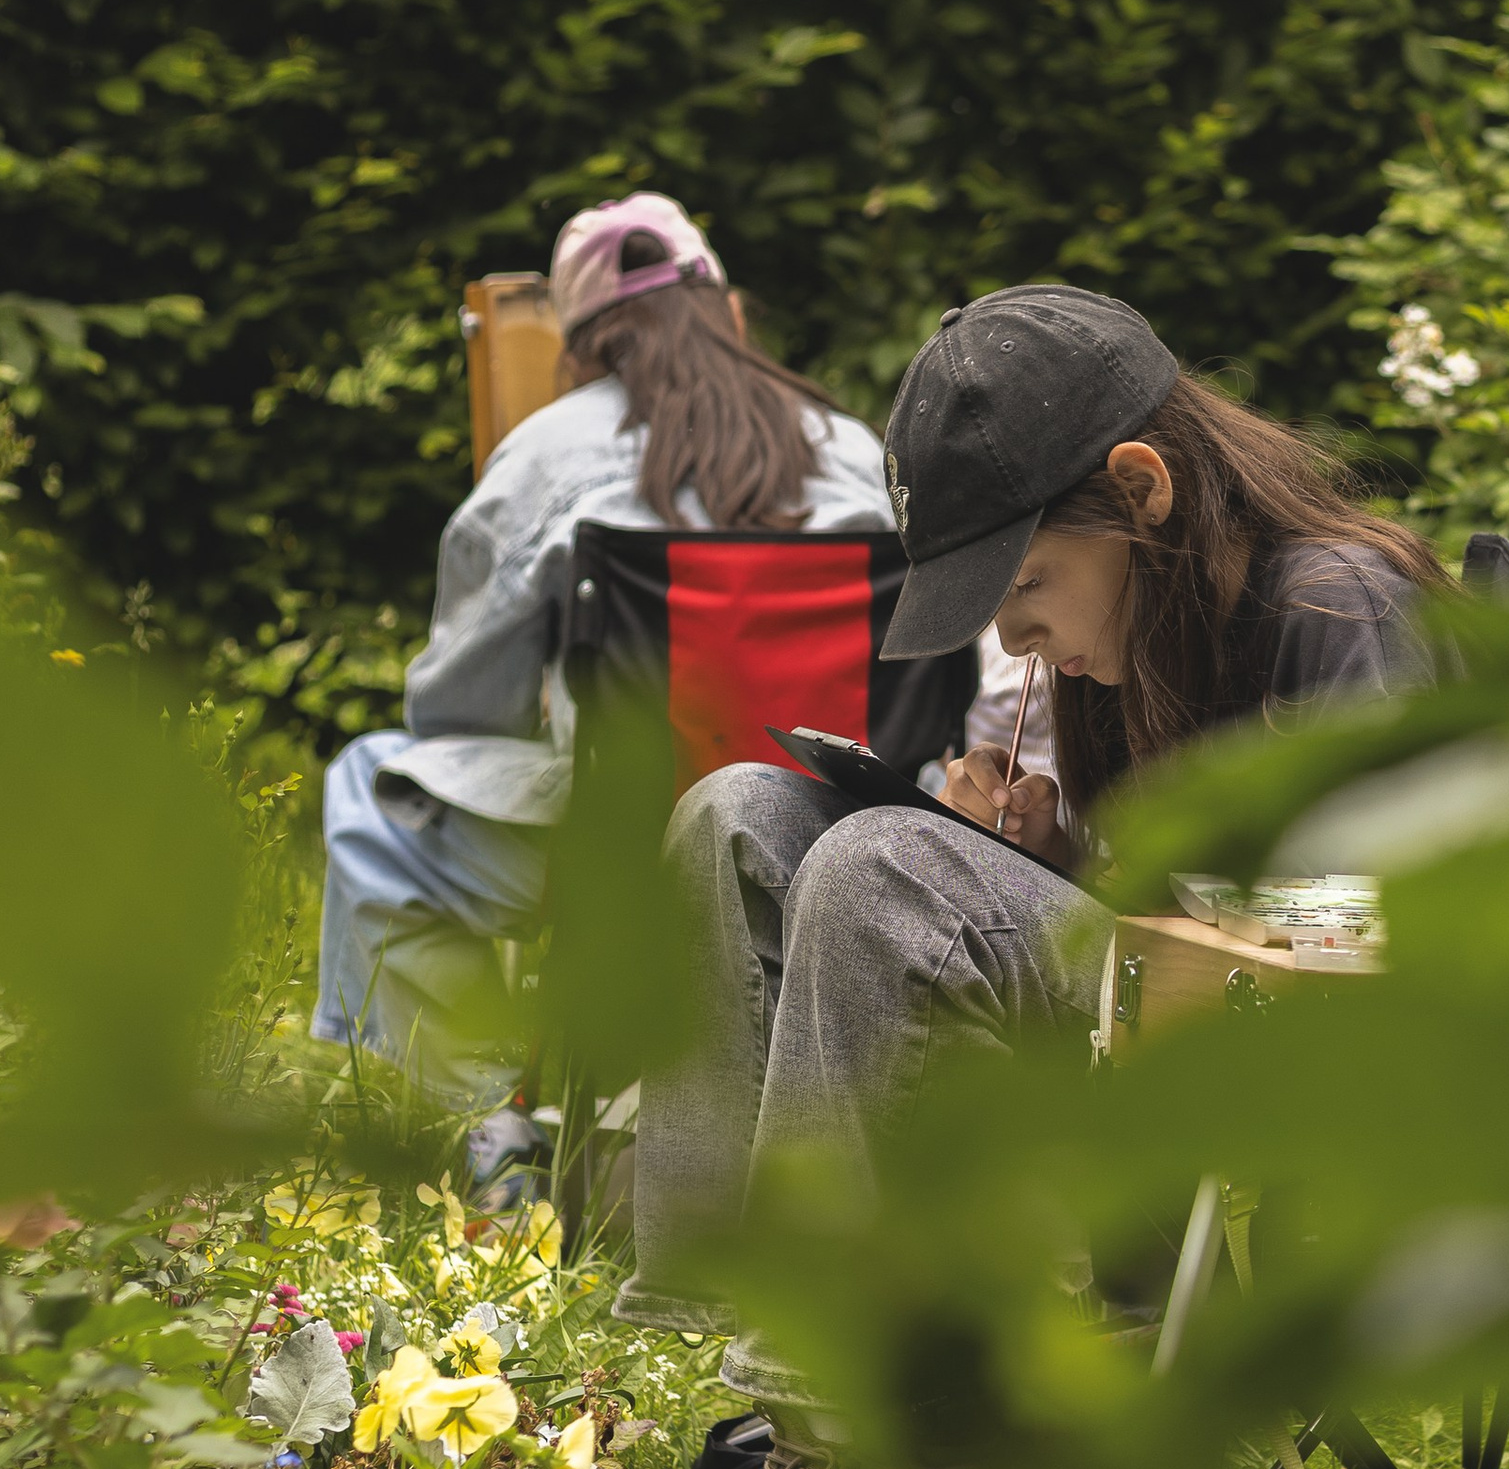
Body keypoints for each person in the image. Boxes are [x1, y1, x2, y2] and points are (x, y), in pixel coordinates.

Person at [615, 284, 1449, 1469]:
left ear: (1141, 491)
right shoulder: (1125, 643)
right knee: (737, 814)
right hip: (1137, 1062)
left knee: (887, 869)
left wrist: (1022, 893)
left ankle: (832, 1441)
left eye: (1024, 583)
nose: (1010, 634)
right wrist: (1051, 861)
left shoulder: (1339, 606)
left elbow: (1392, 931)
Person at [312, 192, 1044, 1165]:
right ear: (727, 311)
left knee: (369, 791)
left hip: (617, 854)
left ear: (579, 346)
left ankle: (485, 1127)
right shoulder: (855, 452)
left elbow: (456, 713)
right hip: (839, 850)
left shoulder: (543, 456)